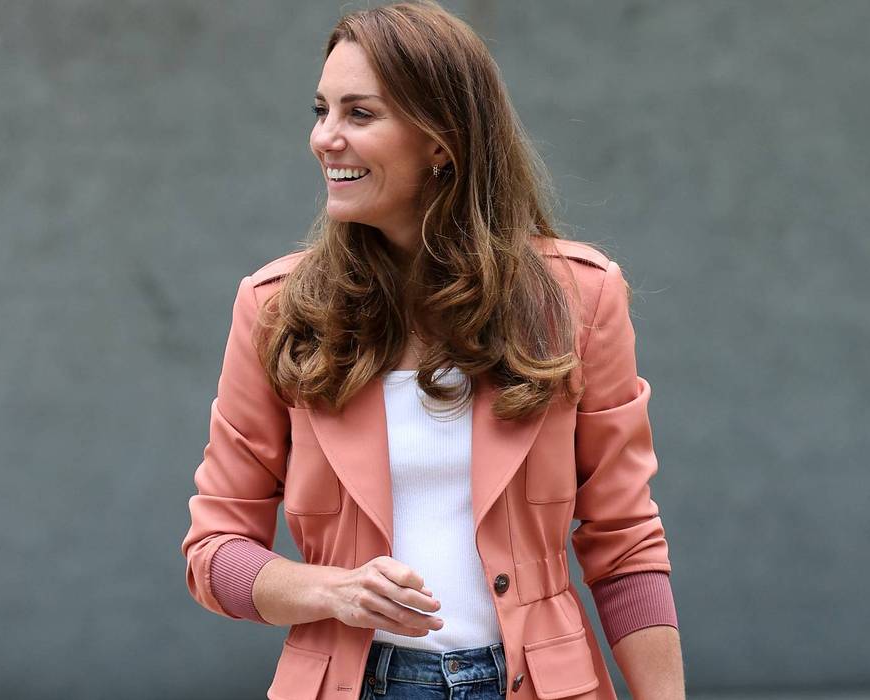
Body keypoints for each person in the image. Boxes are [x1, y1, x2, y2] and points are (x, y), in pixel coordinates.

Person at [181, 2, 684, 698]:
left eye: (359, 114)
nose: (325, 137)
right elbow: (213, 554)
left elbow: (624, 541)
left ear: (440, 141)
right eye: (321, 110)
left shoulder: (578, 298)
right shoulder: (276, 309)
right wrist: (332, 589)